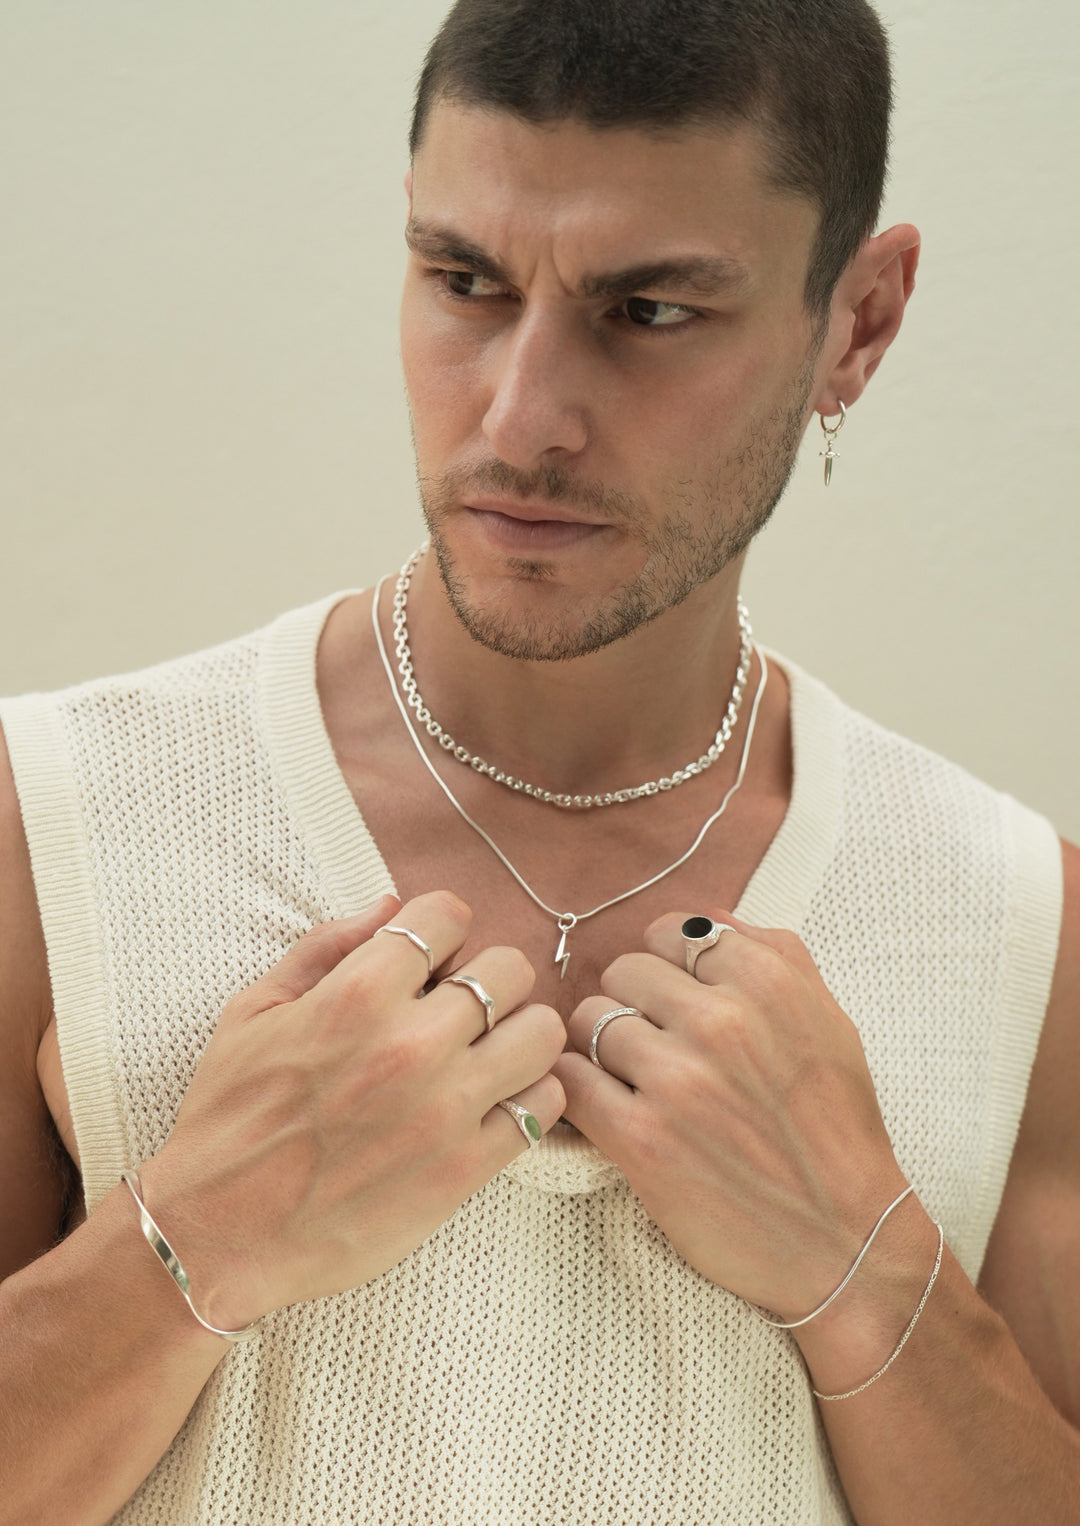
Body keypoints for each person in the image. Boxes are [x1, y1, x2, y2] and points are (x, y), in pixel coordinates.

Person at [1, 0, 1077, 1520]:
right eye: (468, 282)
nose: (520, 415)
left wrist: (866, 1262)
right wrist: (195, 1238)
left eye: (648, 311)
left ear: (861, 320)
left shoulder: (1022, 922)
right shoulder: (57, 820)